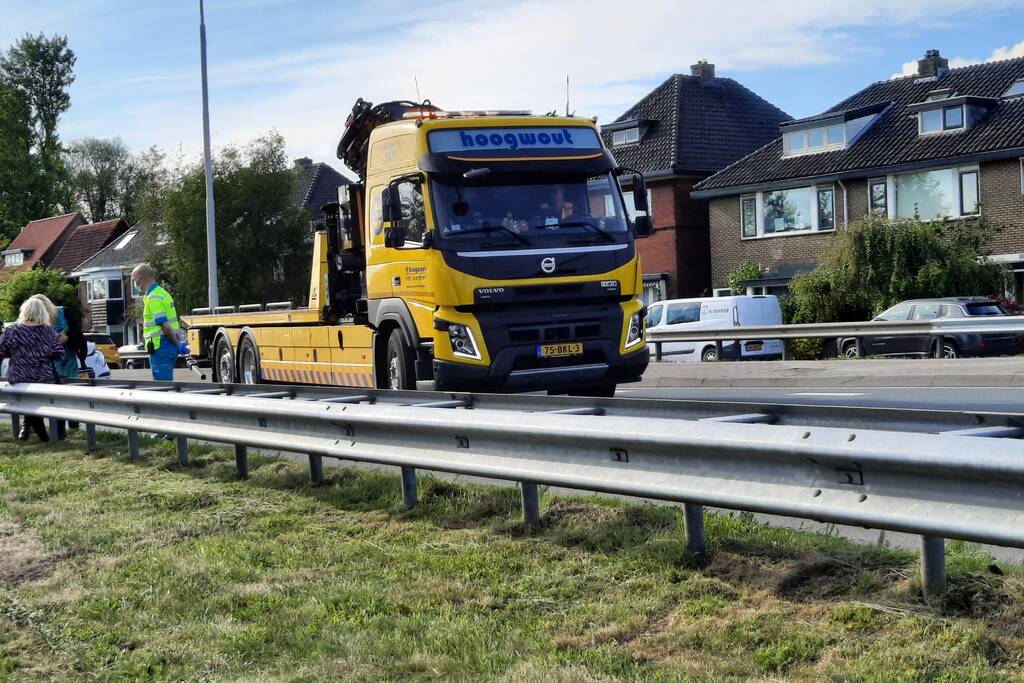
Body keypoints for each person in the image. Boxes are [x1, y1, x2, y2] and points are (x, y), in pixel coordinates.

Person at [0, 298, 66, 441]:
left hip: (19, 377)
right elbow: (59, 354)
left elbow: (1, 351)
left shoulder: (12, 331)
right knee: (36, 407)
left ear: (24, 311)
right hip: (43, 378)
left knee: (30, 407)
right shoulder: (49, 332)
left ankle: (41, 438)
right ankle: (42, 438)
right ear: (43, 313)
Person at [131, 263, 189, 381]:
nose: (134, 284)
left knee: (161, 387)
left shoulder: (153, 297)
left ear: (140, 279)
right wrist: (177, 343)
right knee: (165, 384)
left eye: (134, 280)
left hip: (161, 347)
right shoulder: (162, 293)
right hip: (168, 345)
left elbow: (165, 325)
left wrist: (177, 344)